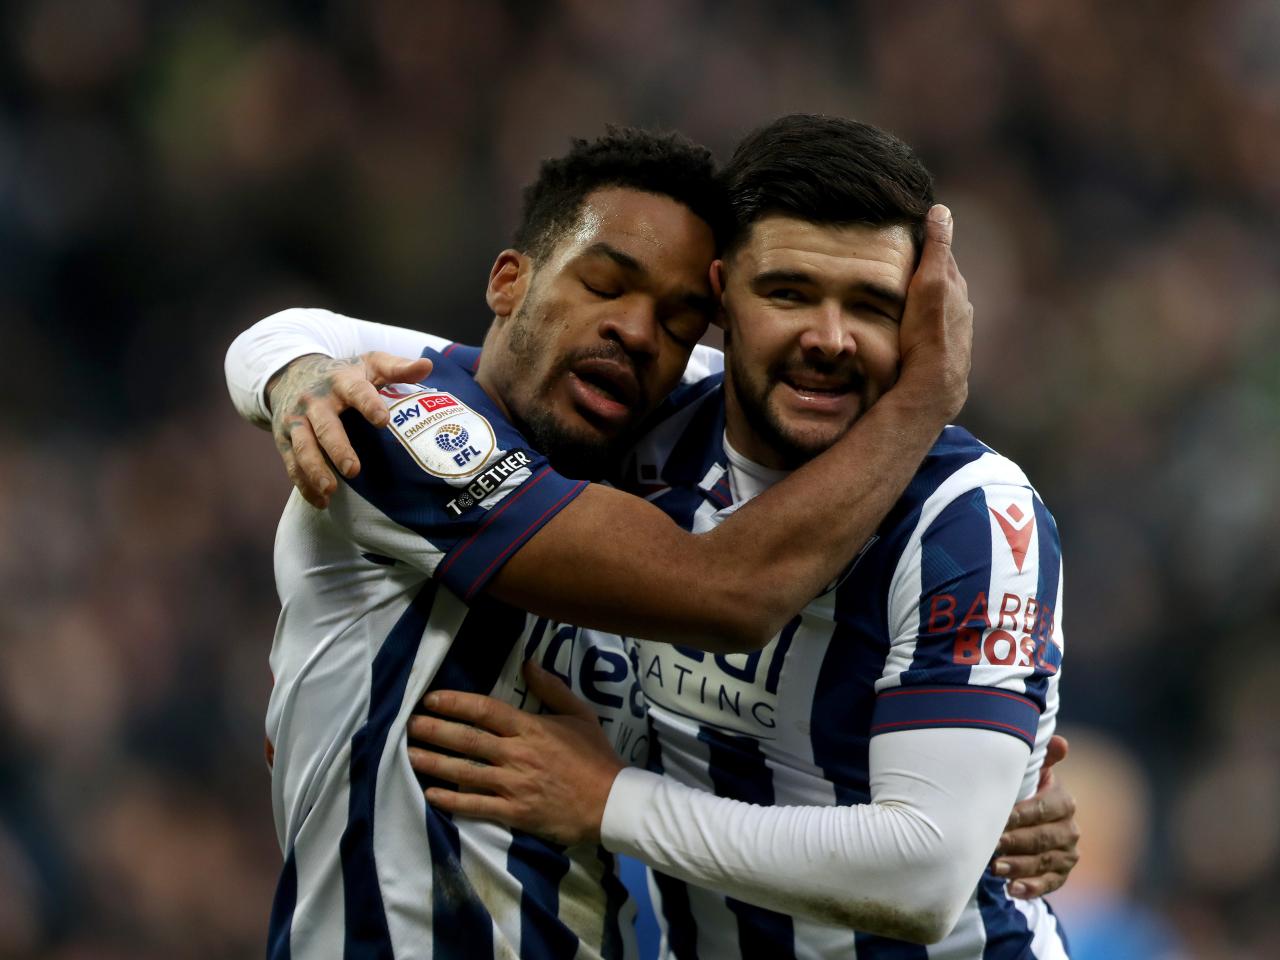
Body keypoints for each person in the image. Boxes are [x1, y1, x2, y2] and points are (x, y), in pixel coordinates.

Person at [226, 120, 1077, 958]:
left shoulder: (970, 510)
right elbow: (724, 592)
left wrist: (977, 792)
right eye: (786, 293)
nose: (827, 336)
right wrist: (285, 367)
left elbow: (924, 876)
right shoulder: (431, 424)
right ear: (731, 302)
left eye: (872, 306)